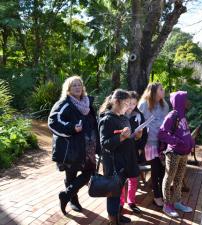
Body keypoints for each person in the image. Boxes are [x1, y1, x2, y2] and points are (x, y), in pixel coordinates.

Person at [48, 75, 100, 215]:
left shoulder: (87, 104)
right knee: (71, 176)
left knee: (89, 172)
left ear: (83, 87)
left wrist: (98, 146)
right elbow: (53, 122)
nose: (77, 87)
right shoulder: (64, 103)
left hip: (88, 148)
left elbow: (94, 125)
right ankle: (73, 200)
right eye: (74, 85)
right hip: (71, 149)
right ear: (68, 89)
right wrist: (72, 128)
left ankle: (66, 194)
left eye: (79, 85)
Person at [98, 89, 141, 225]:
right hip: (113, 164)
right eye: (126, 102)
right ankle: (113, 221)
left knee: (119, 192)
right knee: (113, 195)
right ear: (116, 102)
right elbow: (105, 144)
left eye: (130, 103)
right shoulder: (107, 119)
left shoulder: (123, 118)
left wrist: (135, 136)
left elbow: (128, 138)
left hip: (124, 162)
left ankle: (118, 215)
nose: (129, 106)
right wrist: (121, 137)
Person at [158, 91, 194, 217]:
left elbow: (185, 132)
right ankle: (167, 205)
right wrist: (176, 141)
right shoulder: (172, 115)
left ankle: (177, 201)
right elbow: (162, 133)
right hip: (174, 153)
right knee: (169, 179)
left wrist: (191, 143)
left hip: (184, 153)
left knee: (179, 178)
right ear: (180, 101)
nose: (188, 101)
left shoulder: (183, 115)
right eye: (186, 99)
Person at [138, 83, 169, 207]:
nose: (163, 90)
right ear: (154, 92)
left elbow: (166, 121)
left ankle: (161, 193)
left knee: (162, 170)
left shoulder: (164, 104)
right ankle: (157, 196)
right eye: (161, 89)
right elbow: (139, 123)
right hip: (150, 143)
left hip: (162, 143)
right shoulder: (144, 104)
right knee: (155, 170)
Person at [120, 91, 148, 214]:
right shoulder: (119, 115)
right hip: (120, 151)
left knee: (133, 177)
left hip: (134, 151)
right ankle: (120, 202)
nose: (131, 106)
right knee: (120, 178)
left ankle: (131, 201)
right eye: (129, 103)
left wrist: (140, 146)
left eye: (134, 103)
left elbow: (145, 134)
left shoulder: (139, 115)